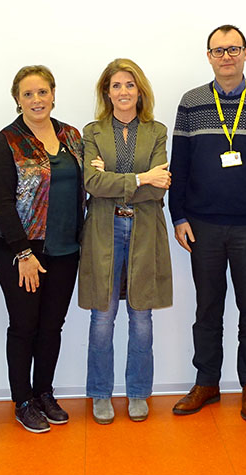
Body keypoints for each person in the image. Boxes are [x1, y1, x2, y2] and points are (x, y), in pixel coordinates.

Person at [169, 24, 246, 421]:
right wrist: (178, 216)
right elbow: (179, 164)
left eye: (233, 49)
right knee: (207, 309)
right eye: (218, 50)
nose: (226, 56)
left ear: (245, 53)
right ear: (208, 56)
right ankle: (207, 382)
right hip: (202, 225)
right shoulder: (191, 102)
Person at [0, 66, 84, 433]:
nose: (36, 100)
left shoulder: (71, 135)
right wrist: (23, 253)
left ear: (53, 94)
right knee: (24, 326)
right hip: (19, 250)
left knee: (52, 326)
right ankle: (23, 400)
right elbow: (1, 202)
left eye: (42, 92)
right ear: (18, 100)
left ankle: (44, 392)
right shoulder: (8, 140)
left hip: (65, 248)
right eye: (28, 94)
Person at [79, 58, 172, 425]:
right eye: (116, 85)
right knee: (102, 316)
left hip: (144, 229)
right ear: (107, 92)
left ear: (140, 90)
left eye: (129, 85)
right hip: (104, 230)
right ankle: (100, 393)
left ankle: (137, 392)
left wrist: (116, 179)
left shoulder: (157, 131)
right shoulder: (92, 132)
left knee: (141, 316)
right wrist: (141, 178)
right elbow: (92, 184)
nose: (123, 92)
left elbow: (160, 188)